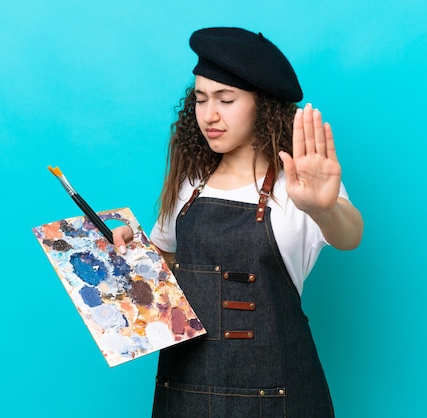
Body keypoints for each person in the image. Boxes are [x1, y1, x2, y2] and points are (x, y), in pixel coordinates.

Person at [113, 26, 363, 418]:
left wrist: (325, 208)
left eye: (226, 99)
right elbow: (165, 259)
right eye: (200, 99)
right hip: (185, 390)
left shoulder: (297, 180)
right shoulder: (190, 183)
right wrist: (131, 250)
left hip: (279, 394)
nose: (209, 115)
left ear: (262, 105)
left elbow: (349, 235)